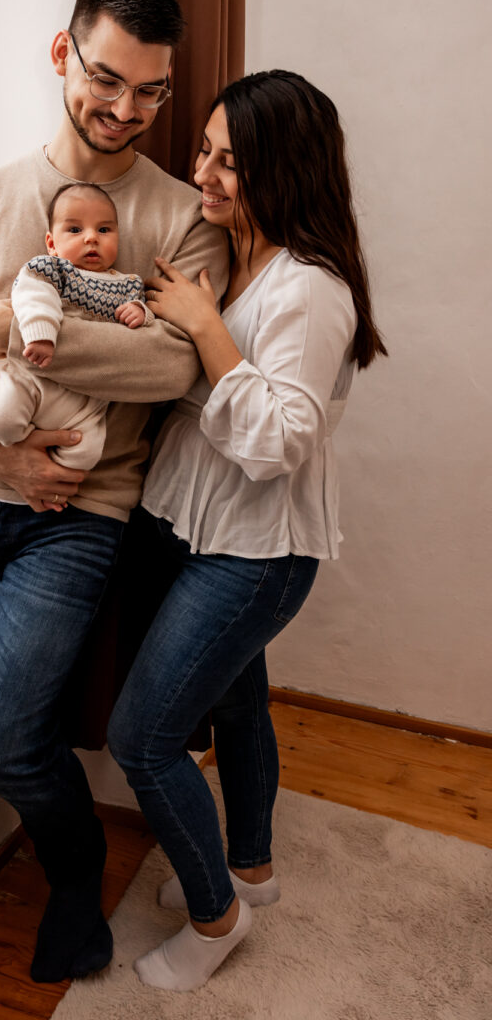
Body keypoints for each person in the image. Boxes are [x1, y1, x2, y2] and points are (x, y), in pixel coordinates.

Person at [0, 0, 228, 984]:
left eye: (153, 90)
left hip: (79, 515)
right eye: (109, 79)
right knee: (20, 728)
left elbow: (173, 365)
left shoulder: (182, 221)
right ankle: (74, 869)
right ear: (61, 56)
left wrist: (10, 332)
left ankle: (77, 875)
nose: (128, 109)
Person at [107, 70, 387, 992]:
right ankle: (252, 870)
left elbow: (277, 441)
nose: (207, 176)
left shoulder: (309, 288)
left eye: (233, 162)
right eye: (206, 154)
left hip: (256, 550)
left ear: (287, 166)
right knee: (233, 704)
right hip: (206, 530)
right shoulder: (243, 258)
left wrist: (201, 327)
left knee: (144, 738)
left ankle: (216, 917)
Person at [0, 181, 153, 473]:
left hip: (86, 400)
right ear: (51, 244)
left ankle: (52, 470)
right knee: (0, 422)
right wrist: (41, 334)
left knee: (86, 454)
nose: (91, 239)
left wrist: (140, 312)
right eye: (75, 230)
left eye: (104, 230)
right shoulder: (51, 270)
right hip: (33, 379)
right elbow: (33, 296)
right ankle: (23, 446)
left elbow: (146, 332)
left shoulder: (128, 284)